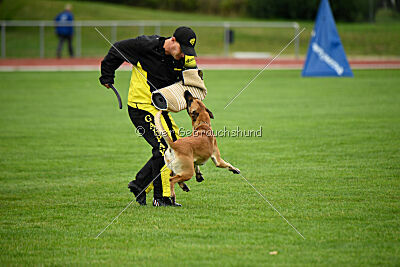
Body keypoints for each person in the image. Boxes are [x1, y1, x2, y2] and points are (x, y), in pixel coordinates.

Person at [99, 26, 198, 206]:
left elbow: (193, 78)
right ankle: (161, 198)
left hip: (160, 109)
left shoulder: (185, 58)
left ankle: (140, 185)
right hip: (141, 107)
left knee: (176, 146)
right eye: (183, 50)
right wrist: (107, 75)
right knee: (164, 148)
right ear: (173, 41)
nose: (184, 55)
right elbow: (116, 49)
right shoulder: (145, 45)